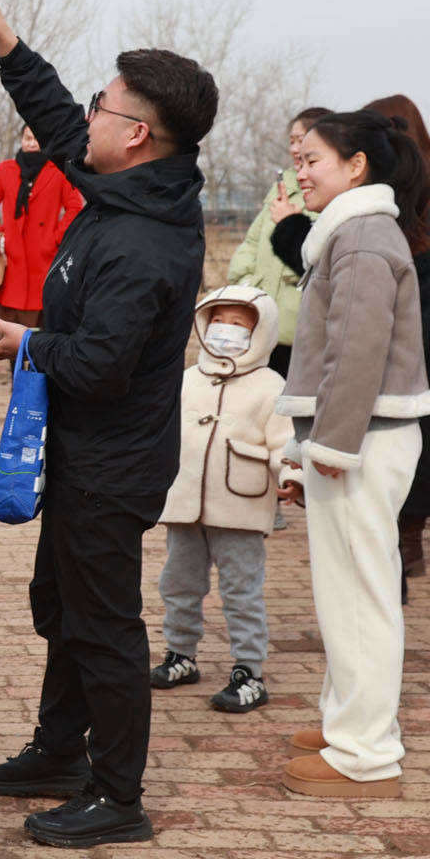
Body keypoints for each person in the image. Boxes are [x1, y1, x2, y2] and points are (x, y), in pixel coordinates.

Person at [0, 0, 216, 848]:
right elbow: (64, 128)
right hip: (83, 450)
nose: (89, 117)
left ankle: (117, 794)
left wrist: (22, 342)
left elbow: (101, 367)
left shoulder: (144, 241)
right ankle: (59, 750)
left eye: (106, 106)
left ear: (137, 133)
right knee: (62, 602)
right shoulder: (131, 191)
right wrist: (6, 44)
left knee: (102, 625)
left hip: (111, 463)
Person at [274, 109, 430, 798]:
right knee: (343, 593)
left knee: (362, 595)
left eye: (313, 159)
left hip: (365, 438)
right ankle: (350, 722)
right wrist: (303, 449)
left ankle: (366, 754)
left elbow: (356, 353)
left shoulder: (365, 237)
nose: (301, 172)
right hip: (354, 436)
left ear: (356, 166)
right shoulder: (353, 233)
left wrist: (330, 447)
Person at [152, 286, 295, 714]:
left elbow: (286, 442)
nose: (224, 332)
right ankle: (181, 654)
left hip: (241, 504)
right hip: (184, 501)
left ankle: (248, 670)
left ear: (262, 333)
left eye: (239, 325)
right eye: (218, 321)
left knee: (241, 590)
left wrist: (290, 474)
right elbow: (160, 431)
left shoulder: (271, 386)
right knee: (179, 583)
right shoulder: (187, 378)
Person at [366, 97, 430, 587]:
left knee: (401, 417)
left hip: (403, 317)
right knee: (415, 413)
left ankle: (404, 537)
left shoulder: (405, 194)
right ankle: (409, 539)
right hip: (426, 321)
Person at [228, 107, 332, 378]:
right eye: (292, 141)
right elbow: (251, 243)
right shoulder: (282, 186)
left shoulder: (328, 194)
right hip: (259, 317)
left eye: (304, 141)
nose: (296, 149)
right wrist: (246, 283)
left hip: (298, 328)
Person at [0, 126, 83, 326]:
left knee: (42, 321)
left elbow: (75, 206)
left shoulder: (58, 171)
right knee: (10, 324)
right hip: (13, 256)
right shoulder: (6, 170)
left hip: (44, 256)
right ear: (21, 140)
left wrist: (57, 237)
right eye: (27, 138)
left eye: (36, 138)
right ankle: (14, 358)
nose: (32, 143)